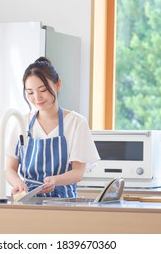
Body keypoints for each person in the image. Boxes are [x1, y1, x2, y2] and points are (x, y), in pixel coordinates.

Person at [5, 57, 99, 198]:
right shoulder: (22, 122)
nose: (37, 97)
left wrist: (55, 180)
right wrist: (17, 182)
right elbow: (10, 168)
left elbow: (78, 172)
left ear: (57, 84)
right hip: (28, 200)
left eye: (42, 90)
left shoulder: (76, 122)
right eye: (30, 92)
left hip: (64, 202)